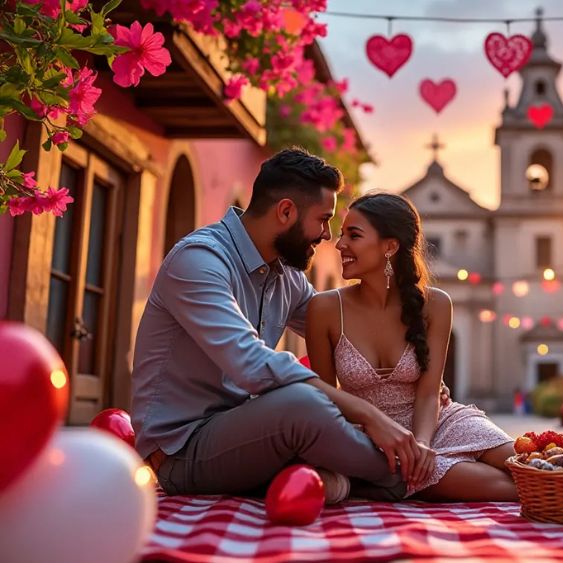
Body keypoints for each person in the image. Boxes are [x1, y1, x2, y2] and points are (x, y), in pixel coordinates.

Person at [131, 148, 430, 504]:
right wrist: (368, 414)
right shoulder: (199, 260)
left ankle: (343, 480)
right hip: (182, 451)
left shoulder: (285, 276)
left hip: (248, 433)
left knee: (312, 409)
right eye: (323, 220)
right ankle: (411, 478)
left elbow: (343, 332)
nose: (326, 236)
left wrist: (409, 366)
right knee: (303, 404)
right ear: (286, 211)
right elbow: (253, 366)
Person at [306, 192, 518, 501]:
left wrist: (422, 443)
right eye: (342, 234)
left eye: (354, 235)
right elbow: (325, 400)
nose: (340, 245)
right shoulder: (324, 308)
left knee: (531, 466)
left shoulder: (436, 304)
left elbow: (429, 392)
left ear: (390, 246)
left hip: (437, 422)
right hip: (375, 441)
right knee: (512, 489)